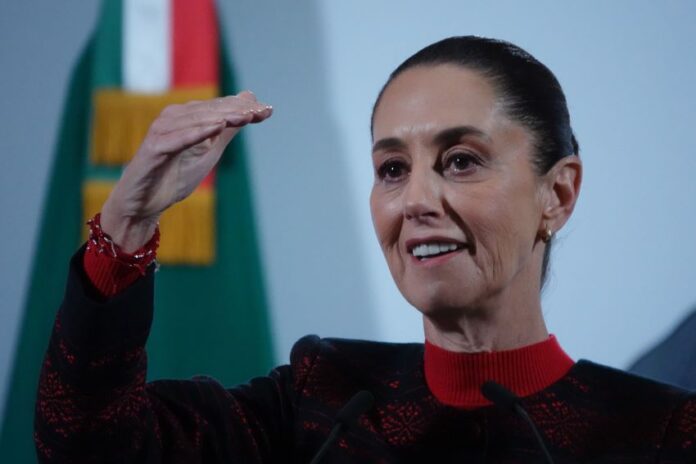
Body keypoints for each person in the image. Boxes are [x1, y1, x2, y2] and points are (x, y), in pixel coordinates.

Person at [35, 36, 696, 463]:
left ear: (558, 193)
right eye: (391, 169)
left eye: (461, 161)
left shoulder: (660, 433)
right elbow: (85, 444)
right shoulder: (322, 400)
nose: (415, 200)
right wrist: (124, 222)